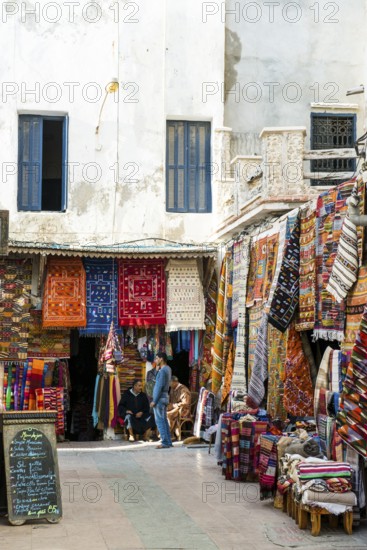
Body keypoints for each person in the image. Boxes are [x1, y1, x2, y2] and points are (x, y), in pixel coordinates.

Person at [151, 352, 172, 449]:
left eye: (157, 358)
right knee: (163, 420)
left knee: (159, 421)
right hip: (164, 397)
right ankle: (168, 441)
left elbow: (159, 386)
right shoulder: (167, 369)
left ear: (161, 359)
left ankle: (165, 442)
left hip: (159, 399)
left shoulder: (163, 371)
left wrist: (154, 400)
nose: (155, 360)